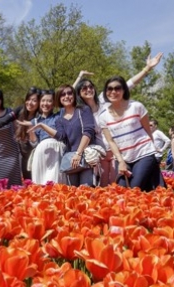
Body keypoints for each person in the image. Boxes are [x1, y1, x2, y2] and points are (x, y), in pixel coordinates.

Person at [72, 52, 163, 186]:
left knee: (118, 185)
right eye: (84, 88)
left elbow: (128, 84)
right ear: (79, 92)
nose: (88, 89)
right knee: (104, 185)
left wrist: (147, 69)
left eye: (90, 87)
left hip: (119, 151)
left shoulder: (104, 99)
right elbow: (65, 96)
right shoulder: (81, 112)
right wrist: (79, 76)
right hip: (102, 152)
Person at [98, 76, 165, 191]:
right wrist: (121, 161)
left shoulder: (136, 106)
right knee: (121, 190)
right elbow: (111, 141)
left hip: (144, 153)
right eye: (109, 89)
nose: (113, 92)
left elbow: (148, 131)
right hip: (124, 157)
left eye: (117, 88)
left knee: (135, 188)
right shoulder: (103, 116)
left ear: (124, 90)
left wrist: (153, 149)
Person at [30, 85, 96, 187]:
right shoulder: (59, 119)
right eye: (62, 94)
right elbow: (61, 136)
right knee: (72, 193)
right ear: (59, 99)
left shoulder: (83, 110)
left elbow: (88, 131)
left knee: (86, 189)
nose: (66, 96)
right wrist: (43, 126)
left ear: (74, 95)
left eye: (69, 93)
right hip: (70, 160)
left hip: (85, 156)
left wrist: (78, 154)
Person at [17, 90, 67, 185]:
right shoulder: (34, 121)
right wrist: (31, 130)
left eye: (49, 101)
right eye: (43, 100)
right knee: (41, 182)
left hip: (56, 151)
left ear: (54, 103)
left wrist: (79, 77)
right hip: (41, 152)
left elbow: (66, 96)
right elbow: (35, 143)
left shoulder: (58, 116)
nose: (45, 104)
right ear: (39, 103)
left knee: (56, 180)